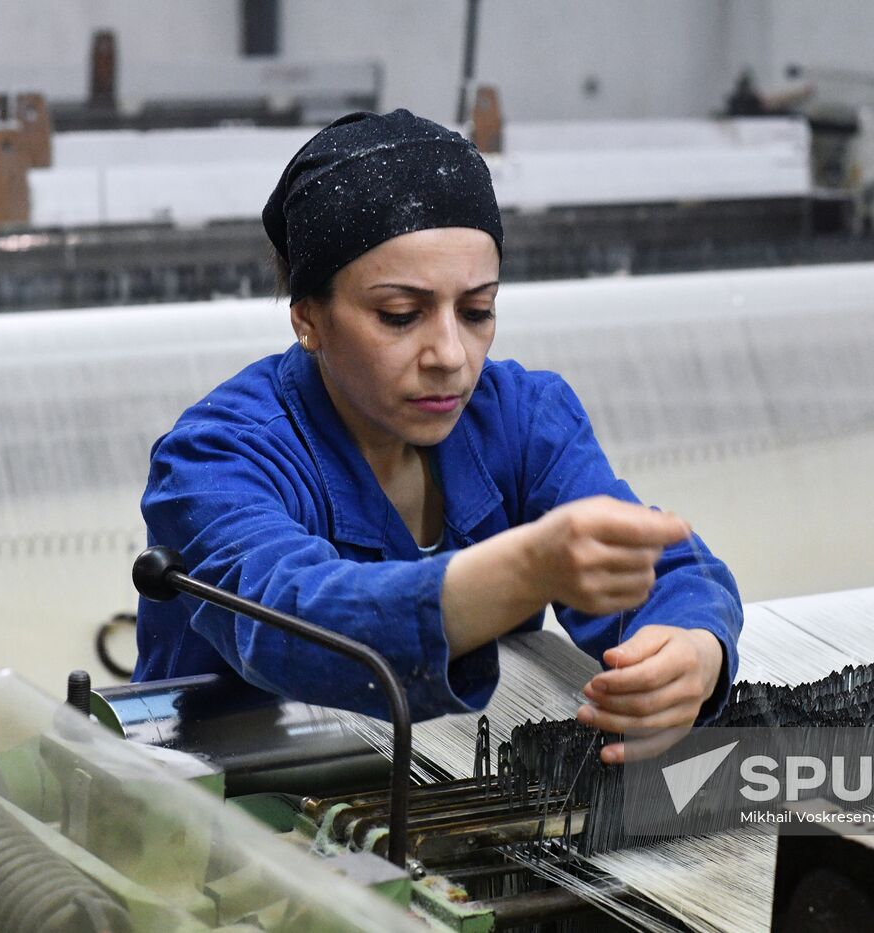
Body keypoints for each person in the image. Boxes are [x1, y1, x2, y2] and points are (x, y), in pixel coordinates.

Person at [133, 110, 742, 764]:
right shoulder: (215, 456)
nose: (451, 354)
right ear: (307, 319)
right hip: (229, 792)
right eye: (400, 315)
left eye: (477, 311)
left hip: (440, 781)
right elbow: (294, 621)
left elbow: (665, 569)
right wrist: (525, 569)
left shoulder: (520, 418)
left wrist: (690, 647)